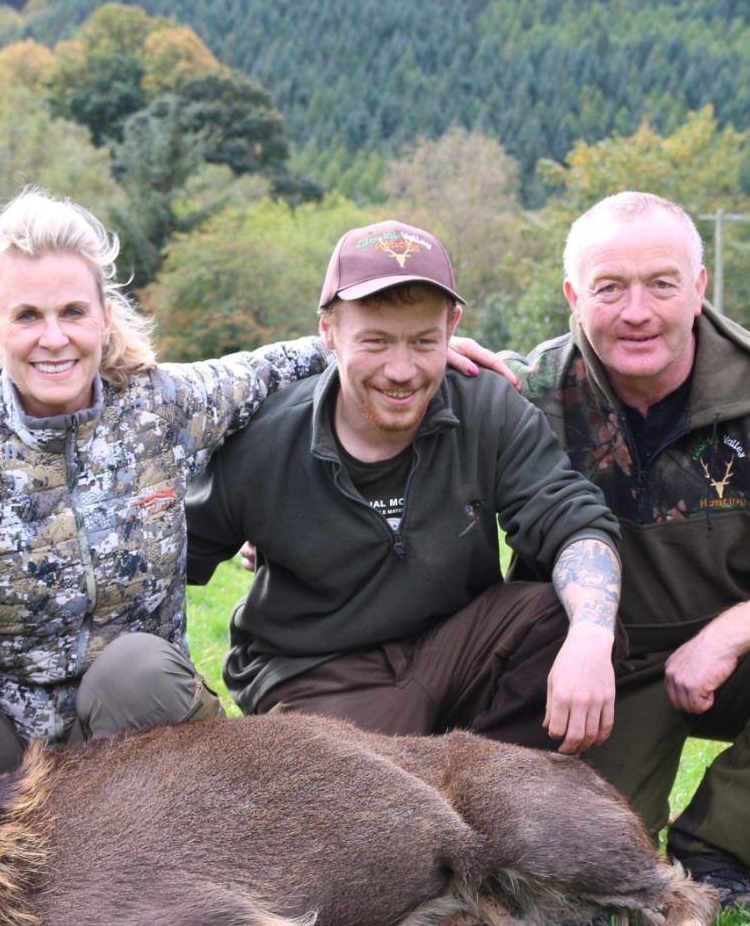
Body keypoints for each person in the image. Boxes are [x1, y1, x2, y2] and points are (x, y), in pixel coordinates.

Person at [464, 191, 750, 921]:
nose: (637, 311)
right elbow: (378, 378)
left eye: (662, 284)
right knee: (586, 895)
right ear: (574, 296)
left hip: (729, 665)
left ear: (699, 288)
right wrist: (431, 358)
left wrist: (730, 635)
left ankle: (719, 857)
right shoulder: (521, 395)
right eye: (610, 288)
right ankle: (637, 845)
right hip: (590, 677)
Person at [0, 191, 334, 774]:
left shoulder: (163, 409)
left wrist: (393, 349)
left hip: (135, 724)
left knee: (135, 671)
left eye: (72, 312)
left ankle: (177, 821)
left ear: (104, 317)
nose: (54, 338)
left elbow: (291, 364)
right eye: (27, 316)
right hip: (4, 735)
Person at [186, 219, 623, 754]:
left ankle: (491, 785)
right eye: (375, 341)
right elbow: (172, 561)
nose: (401, 370)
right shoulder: (265, 440)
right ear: (328, 332)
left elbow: (573, 522)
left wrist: (591, 635)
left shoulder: (486, 407)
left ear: (452, 327)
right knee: (366, 791)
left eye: (423, 342)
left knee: (572, 617)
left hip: (456, 646)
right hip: (323, 674)